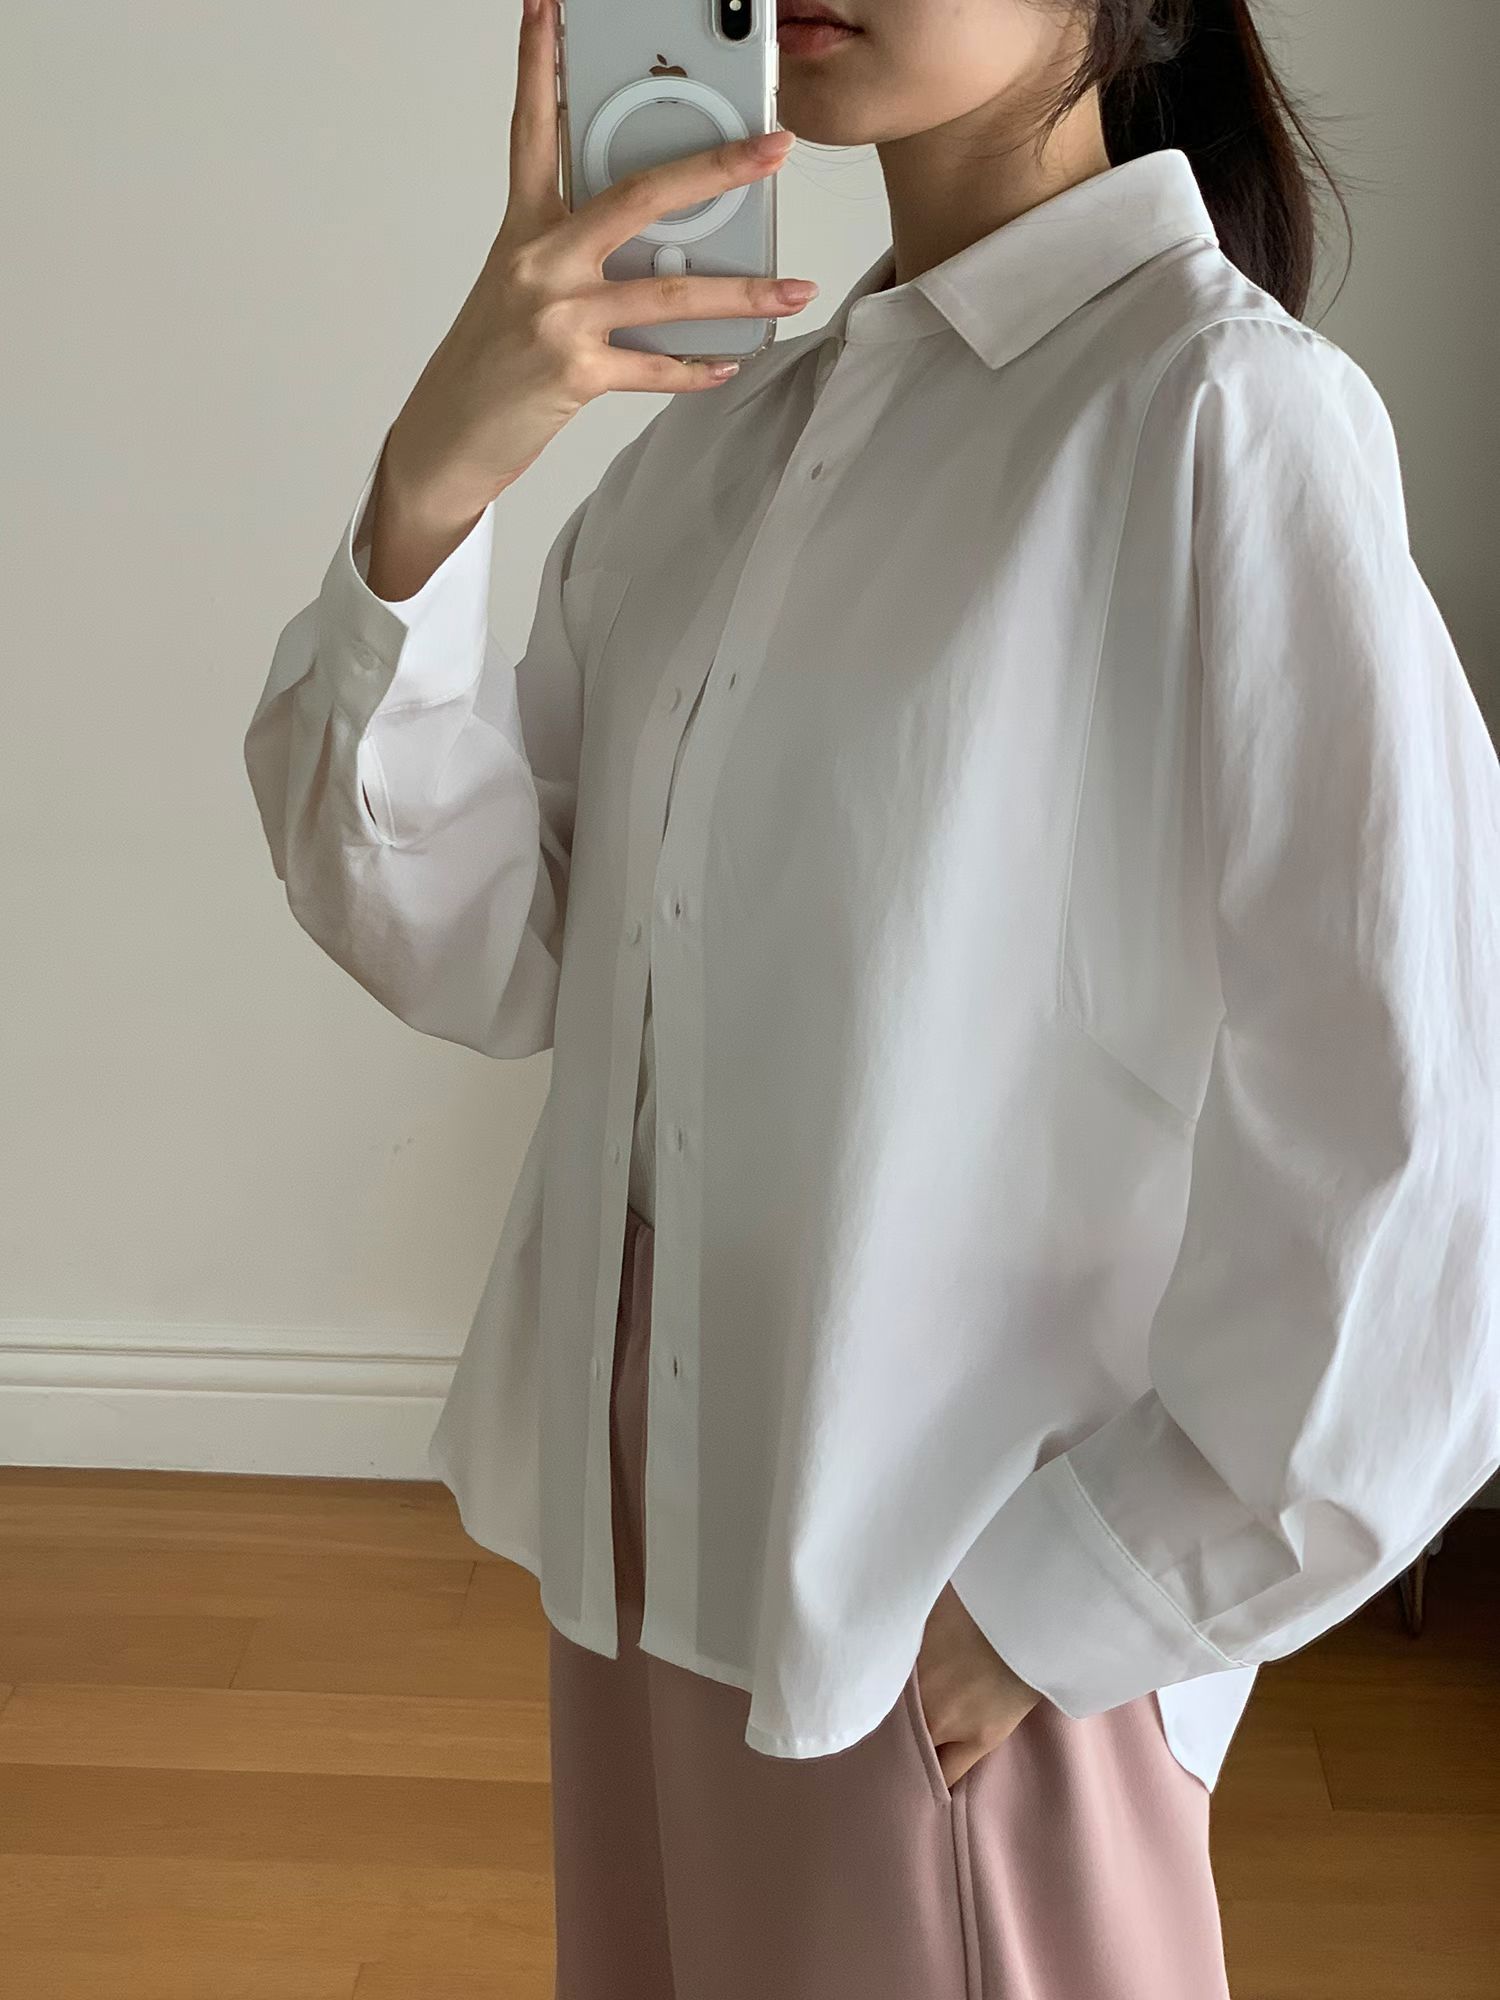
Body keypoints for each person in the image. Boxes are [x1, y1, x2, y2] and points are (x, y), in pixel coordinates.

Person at [243, 0, 1500, 1993]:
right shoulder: (733, 449)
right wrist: (441, 470)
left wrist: (1082, 1596)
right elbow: (494, 940)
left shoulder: (1222, 418)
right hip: (655, 1573)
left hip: (943, 1636)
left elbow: (1424, 1156)